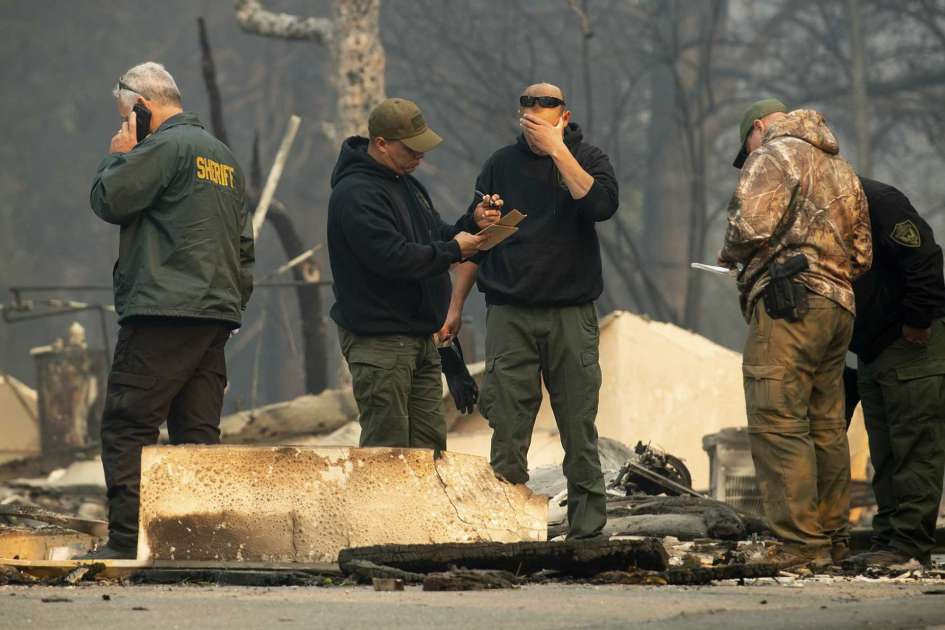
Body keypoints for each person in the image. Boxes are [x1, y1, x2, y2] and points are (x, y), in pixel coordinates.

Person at [87, 62, 253, 559]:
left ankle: (125, 541)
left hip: (163, 311)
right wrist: (231, 303)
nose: (123, 126)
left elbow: (110, 200)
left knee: (128, 424)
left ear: (142, 104)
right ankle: (195, 544)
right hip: (214, 313)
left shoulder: (163, 147)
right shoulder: (222, 157)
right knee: (196, 434)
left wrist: (117, 157)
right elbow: (243, 245)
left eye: (125, 115)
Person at [444, 82, 619, 539]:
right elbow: (477, 240)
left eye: (546, 112)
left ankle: (587, 528)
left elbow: (601, 205)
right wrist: (455, 305)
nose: (535, 121)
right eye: (528, 113)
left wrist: (559, 152)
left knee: (579, 424)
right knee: (508, 422)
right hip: (510, 311)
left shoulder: (587, 158)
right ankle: (508, 525)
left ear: (564, 116)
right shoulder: (501, 164)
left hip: (570, 311)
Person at [719, 98, 872, 568]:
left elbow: (747, 226)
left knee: (778, 420)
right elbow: (862, 253)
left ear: (759, 128)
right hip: (839, 307)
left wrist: (731, 255)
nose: (747, 160)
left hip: (789, 305)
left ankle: (798, 545)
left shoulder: (774, 153)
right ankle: (831, 536)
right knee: (826, 425)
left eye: (747, 148)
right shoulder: (841, 167)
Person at [327, 98, 485, 451]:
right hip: (380, 340)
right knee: (387, 450)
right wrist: (454, 250)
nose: (420, 157)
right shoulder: (356, 194)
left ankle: (425, 508)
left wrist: (473, 224)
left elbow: (435, 234)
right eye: (411, 149)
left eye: (422, 148)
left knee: (430, 449)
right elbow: (392, 258)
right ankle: (379, 509)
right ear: (381, 143)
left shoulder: (407, 184)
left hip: (421, 338)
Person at [842, 178, 945, 568]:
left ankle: (909, 545)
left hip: (911, 342)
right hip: (872, 347)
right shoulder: (821, 207)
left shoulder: (876, 201)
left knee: (915, 448)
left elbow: (925, 257)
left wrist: (917, 319)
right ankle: (889, 539)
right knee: (884, 452)